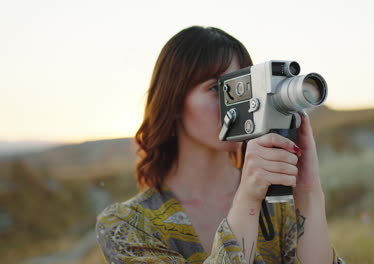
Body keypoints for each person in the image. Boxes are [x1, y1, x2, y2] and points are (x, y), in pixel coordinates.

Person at [96, 26, 344, 264]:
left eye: (242, 87)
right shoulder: (128, 225)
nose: (235, 104)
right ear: (174, 101)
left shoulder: (278, 206)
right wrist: (247, 200)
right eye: (218, 88)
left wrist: (308, 192)